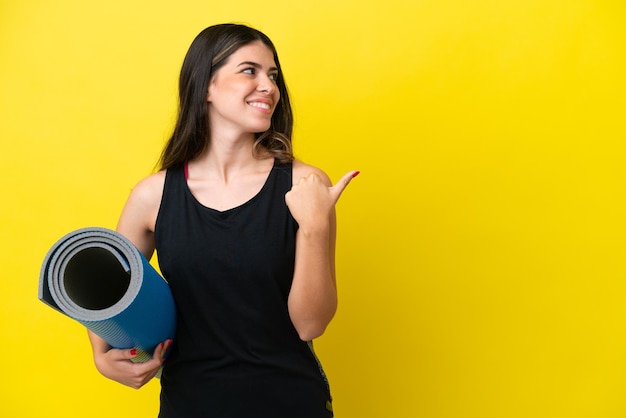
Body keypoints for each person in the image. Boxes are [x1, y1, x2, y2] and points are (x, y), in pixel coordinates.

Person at [86, 23, 358, 417]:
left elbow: (310, 325)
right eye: (250, 70)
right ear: (206, 87)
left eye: (273, 75)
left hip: (291, 404)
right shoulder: (152, 195)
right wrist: (101, 355)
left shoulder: (305, 184)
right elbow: (104, 288)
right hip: (189, 405)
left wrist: (315, 226)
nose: (268, 86)